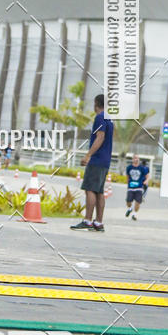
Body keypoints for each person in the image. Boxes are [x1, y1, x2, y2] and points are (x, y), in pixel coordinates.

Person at [70, 93, 114, 233]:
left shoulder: (100, 117)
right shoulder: (109, 119)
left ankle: (87, 221)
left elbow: (100, 137)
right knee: (99, 191)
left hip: (97, 159)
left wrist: (88, 155)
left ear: (96, 104)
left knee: (90, 189)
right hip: (105, 160)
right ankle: (98, 223)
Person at [125, 153, 150, 220]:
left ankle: (134, 215)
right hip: (131, 187)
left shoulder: (142, 168)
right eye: (135, 158)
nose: (136, 159)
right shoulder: (129, 167)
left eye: (137, 158)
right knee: (128, 201)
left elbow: (147, 176)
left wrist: (146, 181)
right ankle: (130, 209)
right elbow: (127, 176)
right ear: (132, 159)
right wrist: (128, 184)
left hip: (139, 187)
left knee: (138, 202)